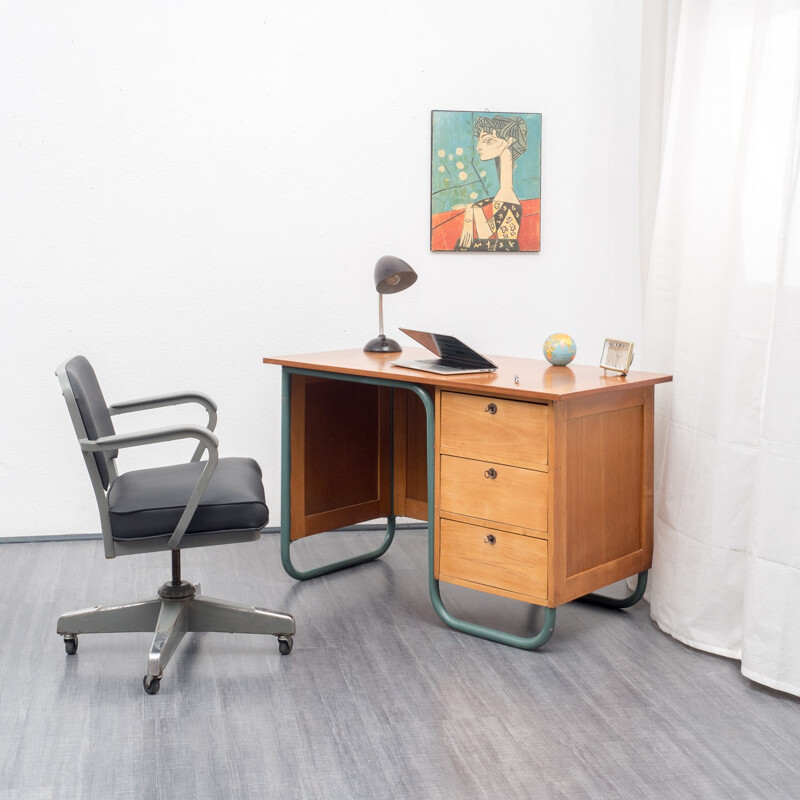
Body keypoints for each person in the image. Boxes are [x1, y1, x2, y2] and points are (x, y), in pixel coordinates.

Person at [455, 114, 528, 251]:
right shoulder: (505, 191)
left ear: (509, 140)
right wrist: (473, 205)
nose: (479, 147)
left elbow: (484, 233)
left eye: (488, 141)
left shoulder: (507, 193)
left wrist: (471, 211)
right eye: (480, 141)